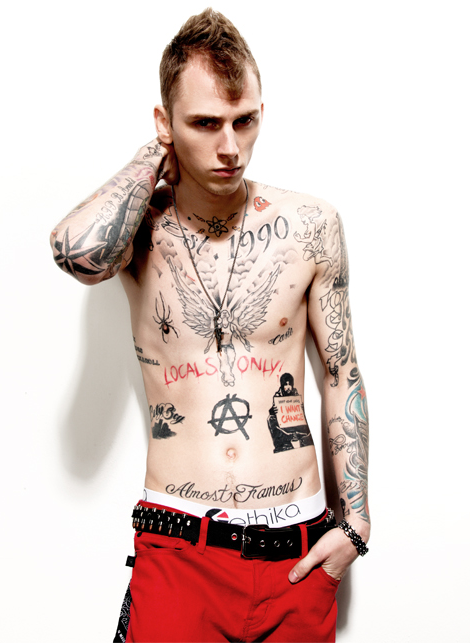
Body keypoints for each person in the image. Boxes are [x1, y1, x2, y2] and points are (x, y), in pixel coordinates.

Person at [50, 8, 370, 643]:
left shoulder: (311, 226)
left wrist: (355, 524)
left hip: (298, 557)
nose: (230, 147)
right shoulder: (142, 230)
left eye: (244, 120)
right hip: (180, 549)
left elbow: (341, 373)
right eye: (204, 123)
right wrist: (152, 158)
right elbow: (74, 252)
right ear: (166, 123)